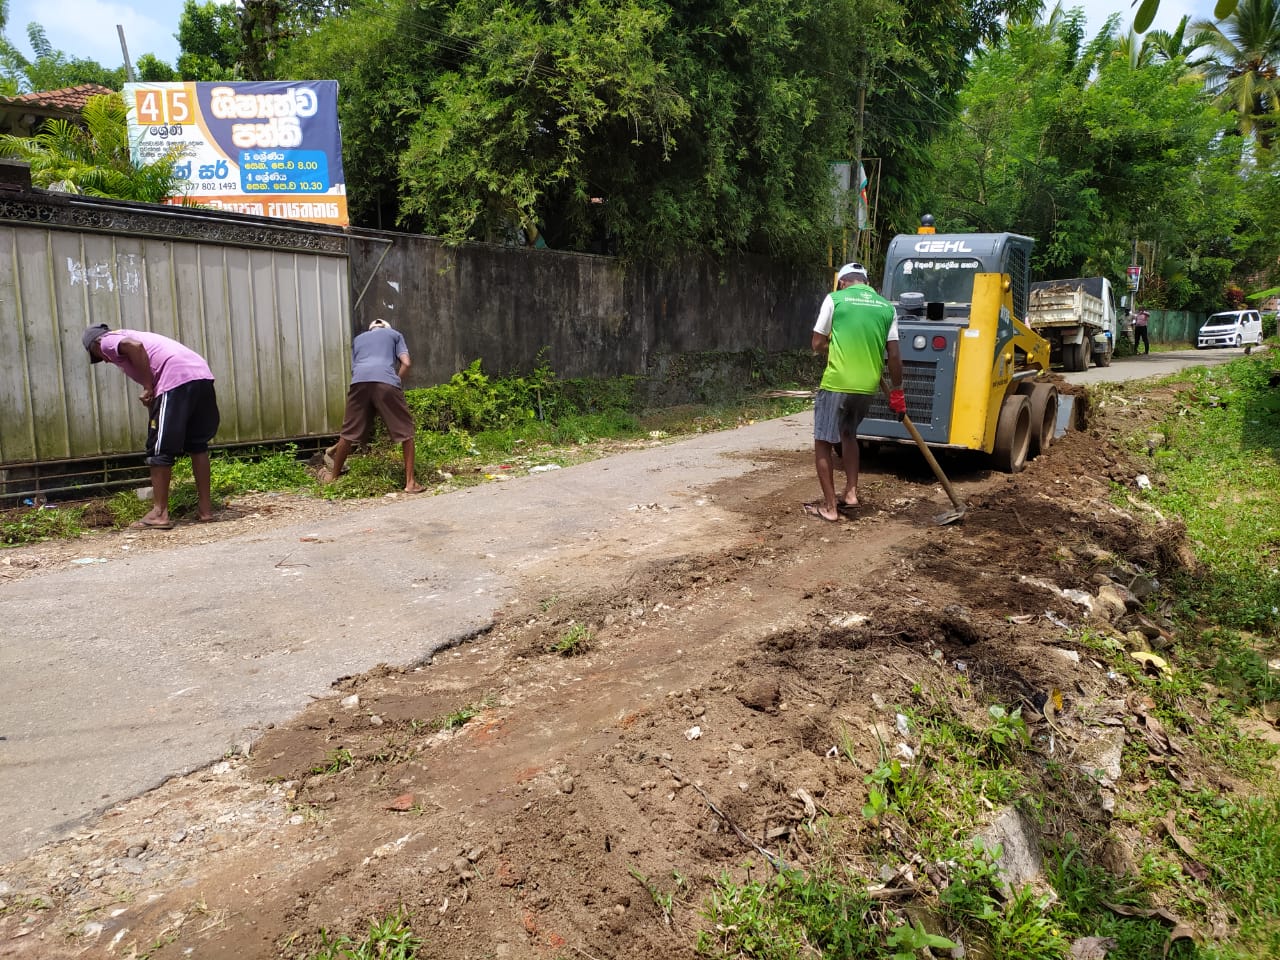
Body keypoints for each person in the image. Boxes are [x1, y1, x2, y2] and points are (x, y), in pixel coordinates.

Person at [82, 324, 220, 529]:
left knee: (159, 450)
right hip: (201, 375)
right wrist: (152, 394)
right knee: (197, 445)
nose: (106, 360)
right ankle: (205, 510)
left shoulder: (107, 340)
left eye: (99, 356)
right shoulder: (138, 336)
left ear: (95, 344)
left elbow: (134, 346)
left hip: (176, 379)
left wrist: (148, 387)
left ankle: (159, 513)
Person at [806, 262, 904, 522]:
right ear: (866, 283)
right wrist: (897, 391)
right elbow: (894, 355)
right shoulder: (886, 307)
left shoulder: (835, 299)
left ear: (842, 282)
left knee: (823, 441)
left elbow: (817, 343)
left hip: (837, 383)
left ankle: (830, 508)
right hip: (867, 385)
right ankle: (850, 493)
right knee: (849, 434)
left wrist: (836, 347)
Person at [320, 319, 425, 493]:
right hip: (386, 380)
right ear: (386, 328)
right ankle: (410, 483)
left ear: (371, 329)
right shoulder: (395, 335)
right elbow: (406, 363)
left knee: (348, 432)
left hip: (359, 381)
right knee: (406, 431)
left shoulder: (358, 339)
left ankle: (333, 477)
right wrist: (395, 381)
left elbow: (355, 369)